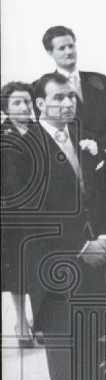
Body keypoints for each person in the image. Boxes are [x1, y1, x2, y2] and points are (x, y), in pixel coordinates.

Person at [11, 73, 106, 380]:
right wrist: (78, 246)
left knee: (96, 357)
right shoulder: (24, 149)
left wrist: (104, 238)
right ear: (40, 104)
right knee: (68, 363)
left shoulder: (86, 142)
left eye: (71, 97)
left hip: (97, 265)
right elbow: (27, 213)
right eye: (58, 98)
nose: (68, 103)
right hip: (54, 269)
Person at [42, 25, 106, 163]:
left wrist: (101, 147)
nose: (69, 51)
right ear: (50, 52)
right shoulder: (44, 86)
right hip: (70, 163)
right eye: (62, 48)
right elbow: (47, 125)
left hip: (103, 161)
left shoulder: (99, 79)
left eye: (71, 46)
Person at [1, 81, 37, 347]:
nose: (24, 106)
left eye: (27, 101)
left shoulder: (41, 132)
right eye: (17, 102)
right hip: (13, 213)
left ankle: (43, 320)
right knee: (19, 271)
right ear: (6, 107)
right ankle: (21, 322)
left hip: (44, 211)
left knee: (41, 267)